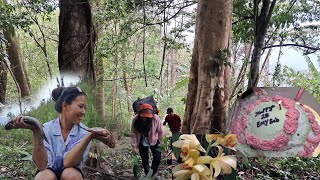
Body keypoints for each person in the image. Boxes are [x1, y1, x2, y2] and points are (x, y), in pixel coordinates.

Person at [11, 86, 115, 180]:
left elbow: (68, 163)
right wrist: (36, 131)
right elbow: (42, 165)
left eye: (85, 108)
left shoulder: (86, 132)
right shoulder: (45, 128)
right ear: (65, 106)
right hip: (47, 171)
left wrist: (90, 136)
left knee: (70, 175)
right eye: (80, 106)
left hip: (71, 172)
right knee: (45, 177)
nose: (84, 111)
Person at [131, 103, 165, 177]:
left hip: (154, 140)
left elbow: (161, 131)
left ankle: (152, 174)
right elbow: (133, 134)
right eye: (143, 116)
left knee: (157, 157)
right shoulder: (135, 120)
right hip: (142, 141)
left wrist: (161, 144)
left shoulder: (155, 118)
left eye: (147, 117)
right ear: (139, 113)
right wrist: (134, 147)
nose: (145, 118)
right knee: (145, 159)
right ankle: (147, 173)